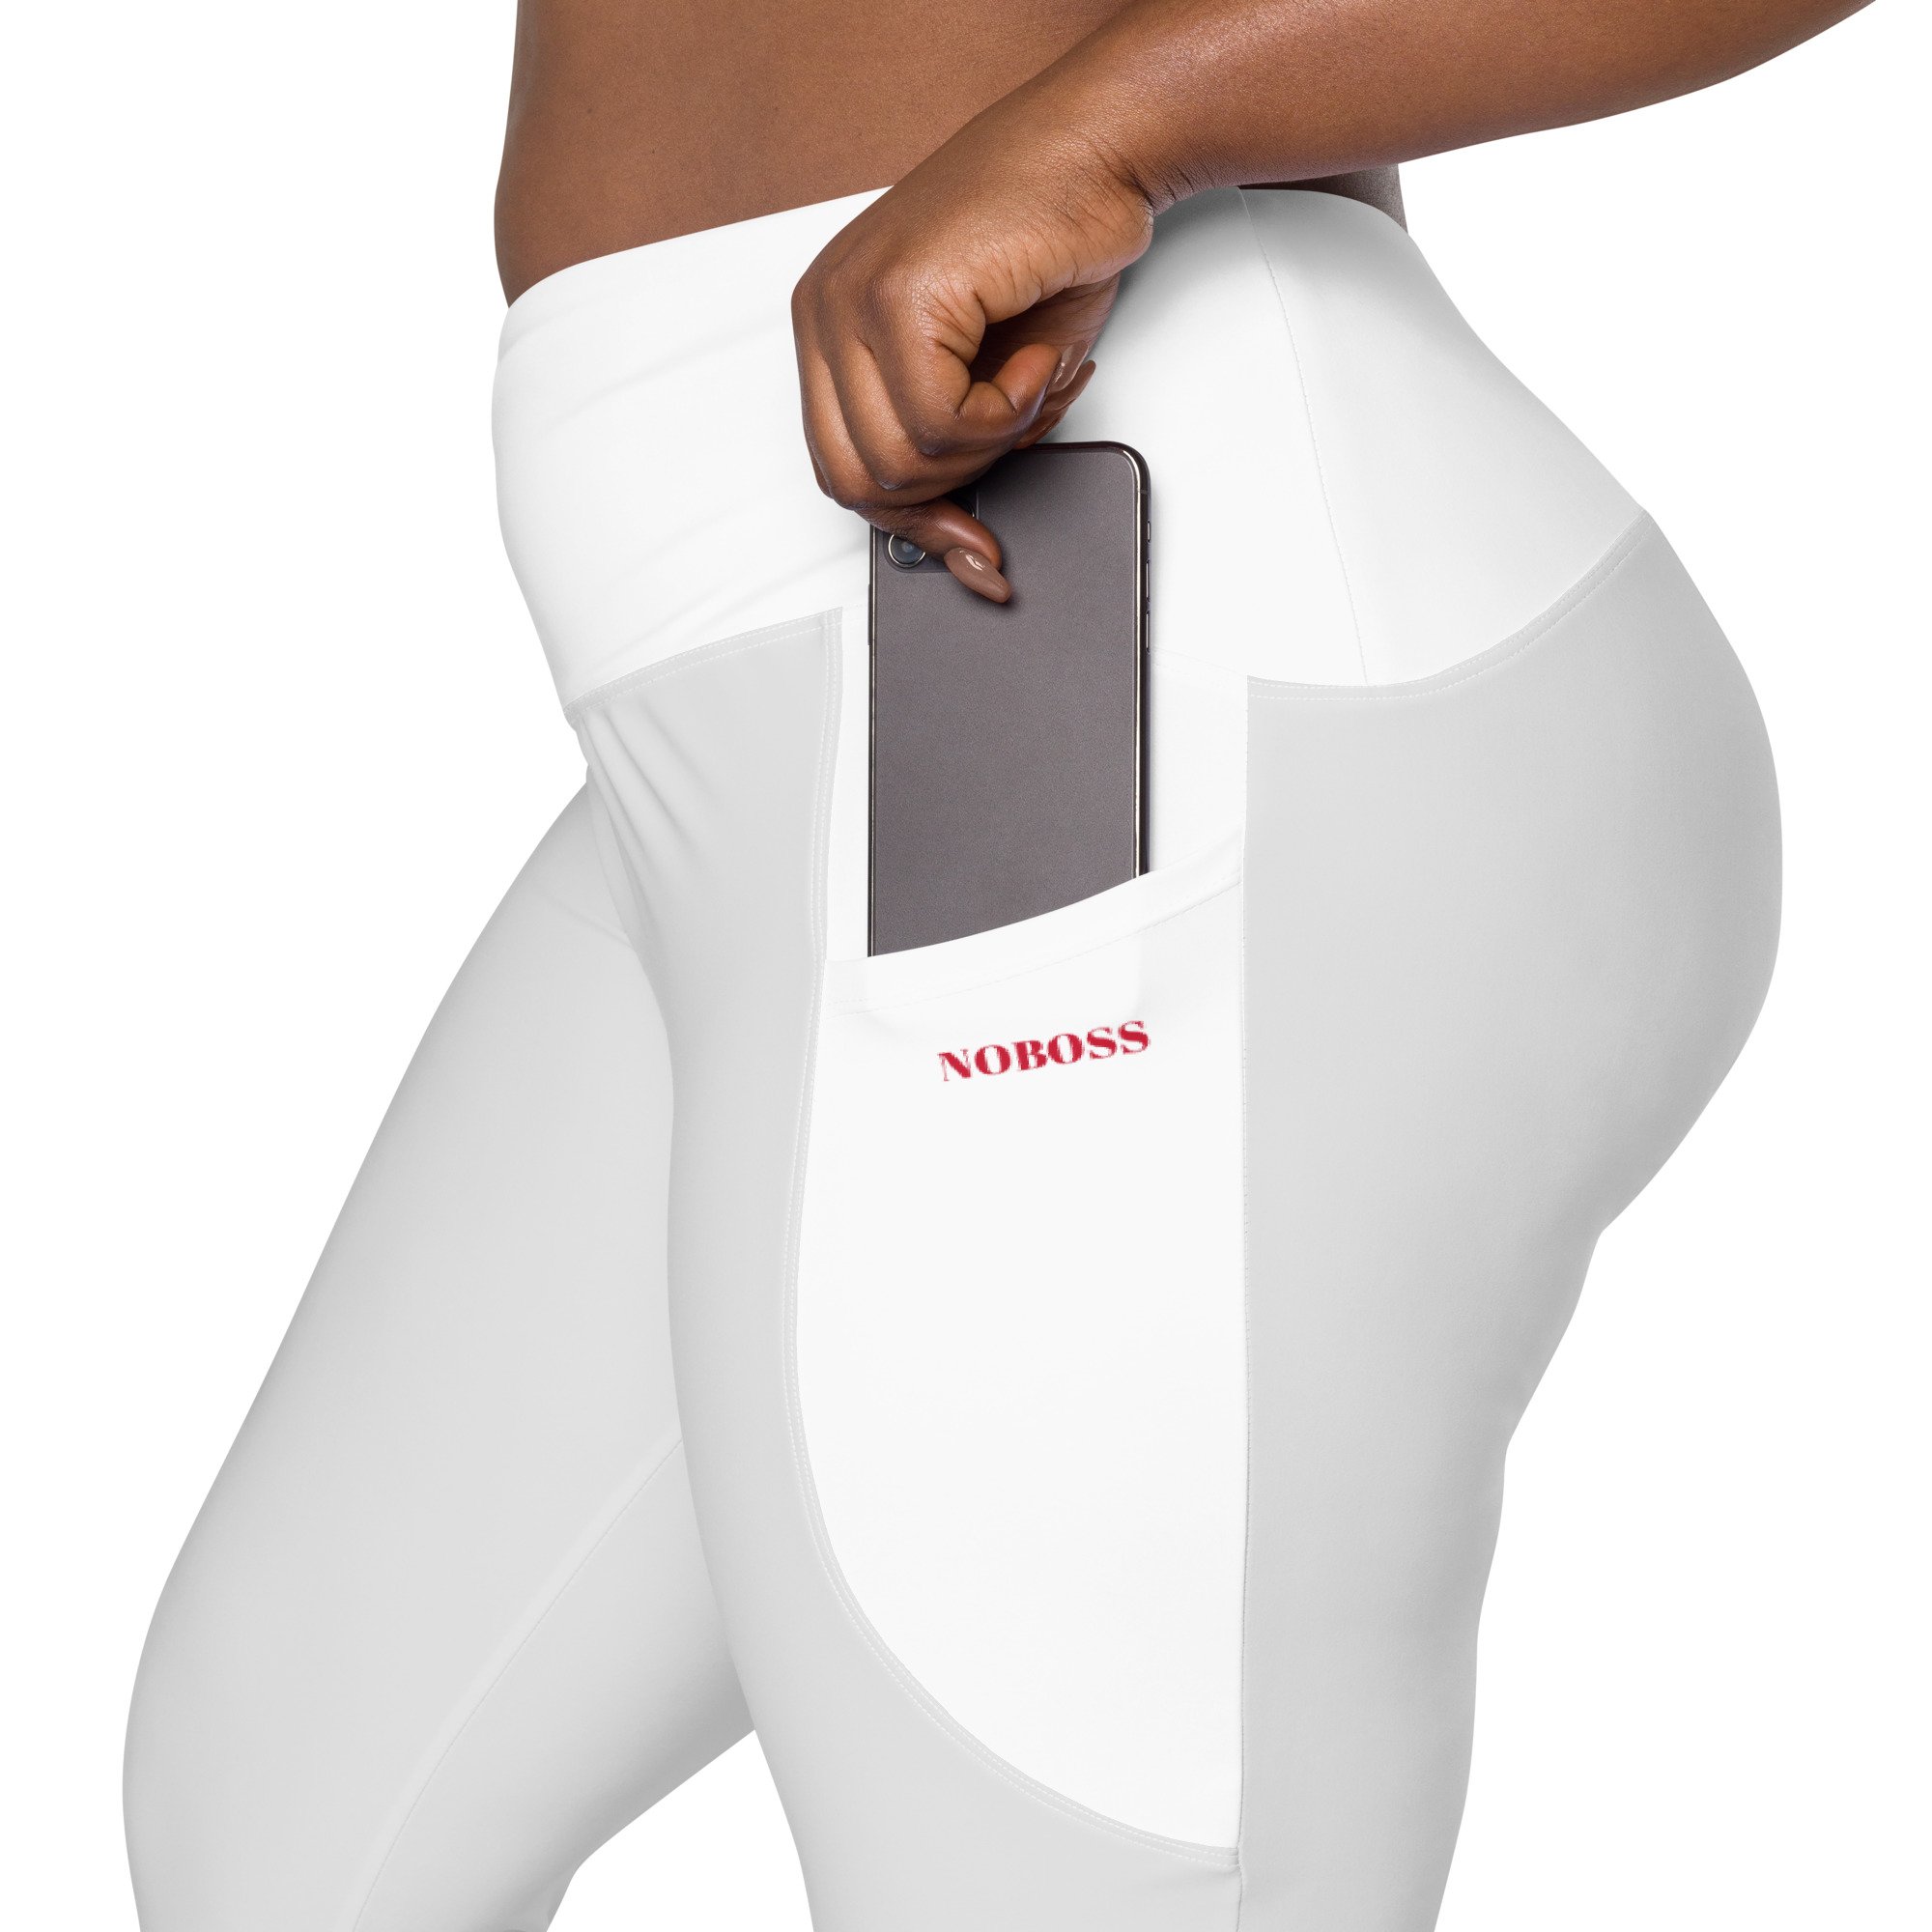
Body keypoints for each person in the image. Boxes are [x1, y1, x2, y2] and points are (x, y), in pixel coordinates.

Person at [124, 3, 1862, 1928]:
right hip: (772, 731)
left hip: (1143, 638)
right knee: (294, 1821)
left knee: (1072, 1856)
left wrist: (1117, 127)